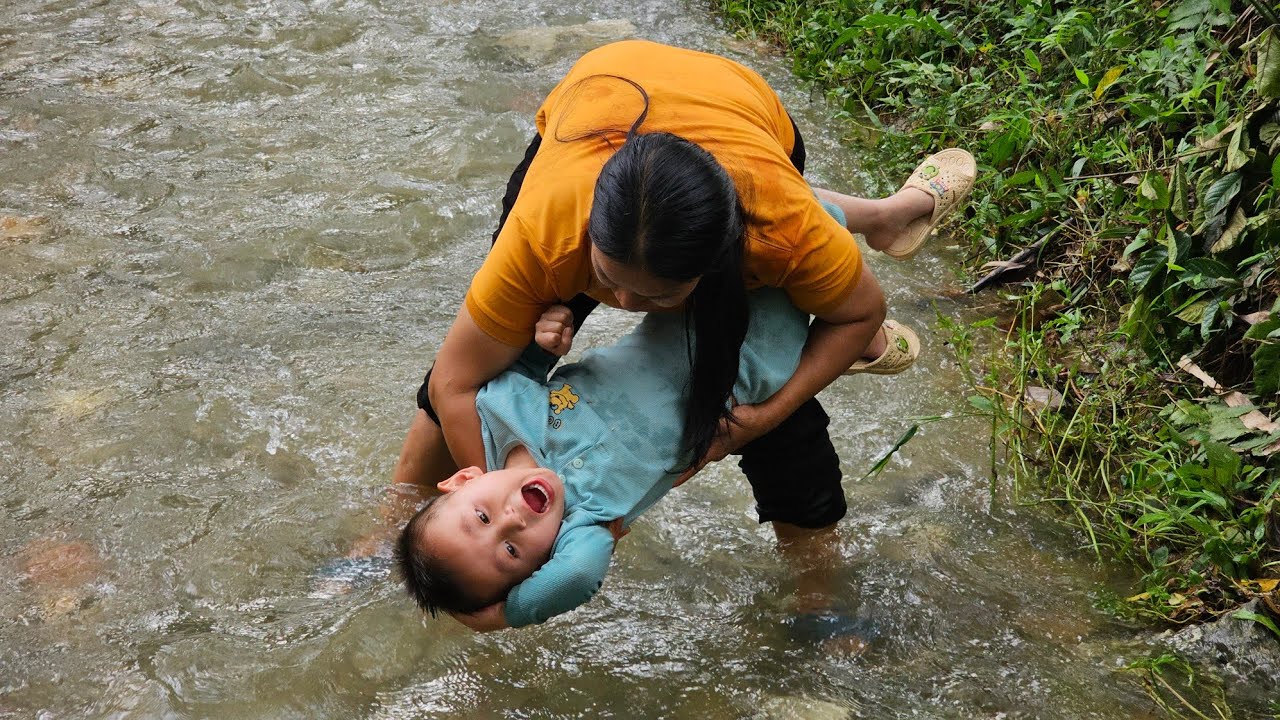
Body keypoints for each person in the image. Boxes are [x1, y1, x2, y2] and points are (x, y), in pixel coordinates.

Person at [394, 39, 976, 613]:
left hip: (742, 121)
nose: (620, 302)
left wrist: (756, 422)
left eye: (655, 296)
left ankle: (819, 594)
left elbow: (859, 308)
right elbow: (456, 382)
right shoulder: (548, 228)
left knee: (783, 419)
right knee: (494, 343)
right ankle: (384, 525)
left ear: (724, 266)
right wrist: (486, 482)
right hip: (601, 105)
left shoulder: (780, 232)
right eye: (604, 279)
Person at [397, 288, 814, 630]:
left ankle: (875, 219)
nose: (512, 520)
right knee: (820, 276)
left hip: (689, 304)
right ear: (541, 566)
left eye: (483, 518)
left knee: (783, 224)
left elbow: (524, 361)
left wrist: (547, 340)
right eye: (511, 551)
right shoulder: (584, 525)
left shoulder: (500, 415)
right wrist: (506, 616)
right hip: (764, 354)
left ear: (464, 478)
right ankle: (864, 328)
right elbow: (577, 576)